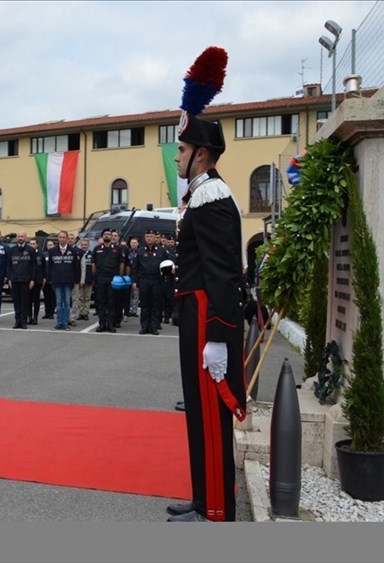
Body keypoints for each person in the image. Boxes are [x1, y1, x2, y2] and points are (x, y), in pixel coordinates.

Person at [167, 46, 246, 522]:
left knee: (211, 416)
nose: (175, 156)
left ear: (201, 154)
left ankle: (216, 508)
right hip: (194, 311)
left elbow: (223, 273)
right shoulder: (200, 194)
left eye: (180, 149)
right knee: (198, 413)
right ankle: (202, 498)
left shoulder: (212, 195)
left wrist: (217, 336)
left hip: (206, 317)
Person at [132, 229, 169, 335]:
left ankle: (153, 326)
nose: (149, 238)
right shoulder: (140, 251)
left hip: (157, 281)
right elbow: (135, 267)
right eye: (147, 236)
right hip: (144, 280)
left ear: (155, 237)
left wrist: (165, 280)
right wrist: (134, 281)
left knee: (155, 304)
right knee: (144, 304)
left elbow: (166, 266)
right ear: (145, 238)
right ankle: (144, 326)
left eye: (151, 236)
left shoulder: (161, 251)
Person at [92, 228, 126, 333]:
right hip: (101, 278)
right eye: (105, 234)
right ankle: (102, 324)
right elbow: (94, 263)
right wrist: (95, 277)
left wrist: (119, 277)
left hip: (113, 279)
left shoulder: (118, 249)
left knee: (112, 302)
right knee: (101, 302)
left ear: (112, 237)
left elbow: (121, 263)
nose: (107, 236)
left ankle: (111, 324)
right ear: (102, 237)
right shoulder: (97, 249)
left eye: (109, 234)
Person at [46, 231, 79, 330]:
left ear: (67, 238)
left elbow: (76, 267)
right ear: (58, 238)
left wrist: (76, 280)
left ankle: (65, 323)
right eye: (60, 237)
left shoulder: (72, 251)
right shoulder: (53, 251)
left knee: (67, 303)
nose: (62, 239)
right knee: (59, 302)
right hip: (57, 281)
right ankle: (59, 322)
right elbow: (49, 267)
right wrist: (50, 279)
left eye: (64, 237)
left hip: (69, 281)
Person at [6, 231, 36, 329]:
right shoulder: (12, 250)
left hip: (26, 280)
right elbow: (9, 266)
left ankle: (23, 322)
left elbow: (34, 266)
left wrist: (32, 279)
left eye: (22, 236)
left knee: (25, 302)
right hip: (14, 280)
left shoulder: (31, 250)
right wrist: (9, 278)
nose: (20, 238)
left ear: (26, 238)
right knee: (16, 302)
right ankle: (17, 321)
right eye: (19, 236)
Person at [73, 238, 93, 322]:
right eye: (82, 245)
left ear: (88, 245)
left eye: (85, 245)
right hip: (80, 279)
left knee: (87, 297)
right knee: (80, 297)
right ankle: (80, 313)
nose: (84, 246)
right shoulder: (78, 254)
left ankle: (86, 313)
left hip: (89, 278)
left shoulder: (92, 254)